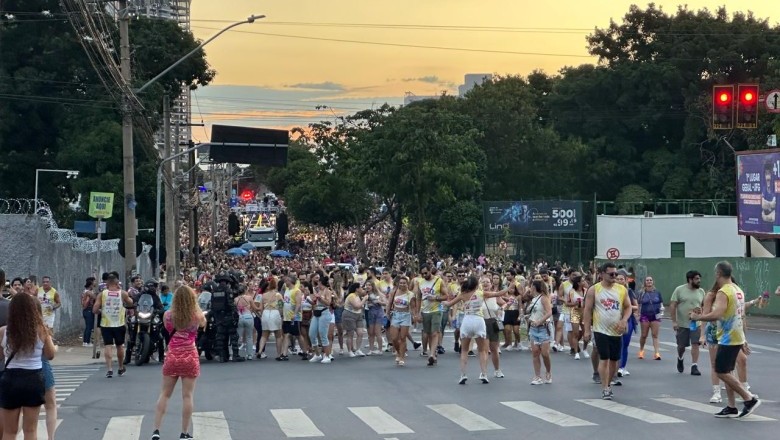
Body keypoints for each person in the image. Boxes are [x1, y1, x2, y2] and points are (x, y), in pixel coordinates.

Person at [690, 261, 761, 419]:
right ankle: (731, 406)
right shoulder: (737, 290)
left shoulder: (723, 292)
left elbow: (717, 314)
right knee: (727, 370)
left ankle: (749, 399)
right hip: (735, 335)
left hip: (728, 337)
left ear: (718, 274)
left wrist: (698, 316)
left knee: (721, 371)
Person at [151, 285, 207, 440]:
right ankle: (184, 432)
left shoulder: (168, 315)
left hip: (173, 355)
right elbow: (203, 324)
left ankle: (156, 430)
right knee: (187, 396)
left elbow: (168, 329)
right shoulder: (196, 315)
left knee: (165, 394)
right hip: (190, 355)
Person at [0, 292, 57, 440]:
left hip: (10, 379)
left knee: (9, 431)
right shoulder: (41, 330)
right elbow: (50, 355)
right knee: (30, 430)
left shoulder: (3, 332)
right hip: (33, 379)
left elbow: (0, 357)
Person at [583, 262, 632, 401]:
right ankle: (605, 387)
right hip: (600, 329)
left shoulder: (621, 289)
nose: (614, 276)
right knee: (604, 357)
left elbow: (628, 307)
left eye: (616, 274)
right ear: (602, 274)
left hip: (616, 330)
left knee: (614, 360)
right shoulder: (594, 290)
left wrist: (624, 320)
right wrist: (587, 330)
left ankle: (608, 384)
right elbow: (587, 310)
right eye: (611, 274)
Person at [444, 275, 505, 384]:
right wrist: (509, 288)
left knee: (464, 350)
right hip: (479, 321)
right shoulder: (481, 293)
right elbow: (498, 294)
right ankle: (484, 374)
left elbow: (448, 304)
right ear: (477, 285)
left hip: (467, 321)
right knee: (482, 351)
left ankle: (463, 374)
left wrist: (440, 301)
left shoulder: (462, 295)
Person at [93, 272, 134, 378]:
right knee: (120, 346)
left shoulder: (102, 294)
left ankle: (110, 369)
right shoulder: (122, 293)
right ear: (117, 283)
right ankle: (120, 367)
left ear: (107, 283)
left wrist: (101, 312)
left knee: (108, 345)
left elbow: (94, 309)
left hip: (106, 324)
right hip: (119, 324)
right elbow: (131, 303)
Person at [669, 270, 705, 376]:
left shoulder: (701, 291)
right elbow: (673, 305)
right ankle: (680, 358)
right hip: (682, 324)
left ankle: (694, 366)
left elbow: (704, 306)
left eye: (699, 278)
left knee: (695, 344)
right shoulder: (679, 290)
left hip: (696, 324)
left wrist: (700, 313)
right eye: (697, 279)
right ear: (690, 280)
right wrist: (674, 321)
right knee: (681, 346)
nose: (699, 281)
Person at [526, 276, 553, 385]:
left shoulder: (543, 298)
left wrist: (540, 321)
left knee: (545, 353)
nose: (530, 288)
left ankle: (548, 371)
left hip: (543, 328)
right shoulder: (533, 299)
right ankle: (537, 376)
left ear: (535, 287)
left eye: (532, 286)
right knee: (535, 352)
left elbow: (549, 312)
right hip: (533, 328)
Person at [386, 276, 416, 366]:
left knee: (403, 338)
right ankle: (398, 352)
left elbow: (413, 307)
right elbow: (389, 303)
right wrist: (387, 313)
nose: (402, 284)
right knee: (394, 338)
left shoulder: (410, 294)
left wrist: (414, 316)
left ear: (407, 284)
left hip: (406, 316)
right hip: (395, 315)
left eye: (404, 283)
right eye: (401, 283)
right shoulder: (394, 292)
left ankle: (402, 357)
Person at [616, 271, 638, 378]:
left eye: (622, 279)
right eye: (618, 279)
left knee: (624, 344)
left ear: (625, 281)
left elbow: (636, 307)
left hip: (627, 320)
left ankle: (622, 367)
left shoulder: (629, 291)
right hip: (614, 320)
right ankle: (615, 366)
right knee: (616, 345)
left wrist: (626, 307)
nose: (620, 281)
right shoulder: (612, 291)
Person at [308, 273, 334, 364]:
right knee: (312, 333)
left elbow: (328, 303)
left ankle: (326, 355)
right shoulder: (317, 290)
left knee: (323, 334)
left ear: (321, 283)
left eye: (318, 283)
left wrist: (321, 298)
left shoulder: (328, 291)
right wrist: (310, 300)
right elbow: (315, 303)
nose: (317, 284)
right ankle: (317, 354)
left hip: (324, 313)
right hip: (316, 313)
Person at [637, 275, 663, 360]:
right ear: (645, 282)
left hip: (656, 316)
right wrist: (637, 314)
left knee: (655, 335)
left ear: (653, 282)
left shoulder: (657, 292)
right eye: (647, 280)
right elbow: (638, 304)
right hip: (645, 315)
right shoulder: (641, 293)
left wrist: (662, 310)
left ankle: (657, 353)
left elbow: (661, 303)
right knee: (644, 335)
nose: (649, 281)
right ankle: (641, 350)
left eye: (650, 280)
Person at [342, 283, 367, 357]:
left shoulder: (357, 296)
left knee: (360, 333)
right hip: (349, 315)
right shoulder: (351, 296)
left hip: (358, 315)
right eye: (361, 288)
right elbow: (357, 306)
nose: (362, 289)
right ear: (357, 289)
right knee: (350, 334)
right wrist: (364, 299)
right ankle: (350, 350)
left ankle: (358, 349)